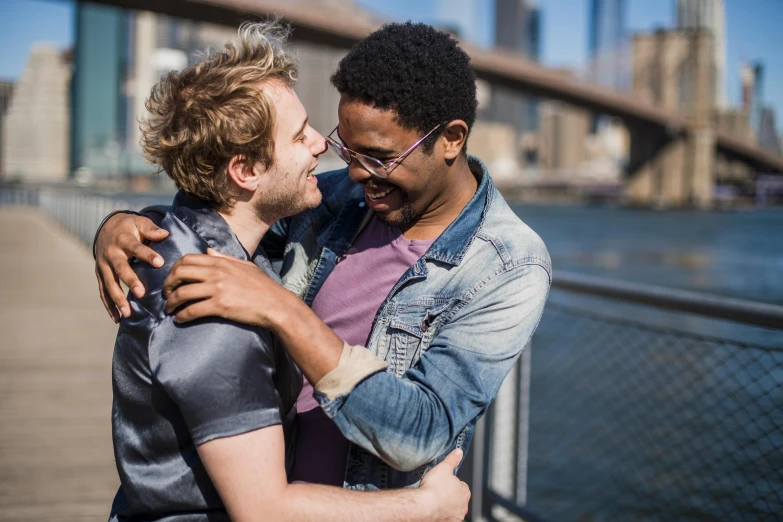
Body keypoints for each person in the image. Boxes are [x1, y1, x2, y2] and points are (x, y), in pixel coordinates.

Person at [95, 22, 551, 492]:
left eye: (378, 157)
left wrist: (283, 310)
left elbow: (421, 431)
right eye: (347, 149)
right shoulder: (337, 199)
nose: (355, 173)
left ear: (451, 139)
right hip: (264, 494)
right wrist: (125, 225)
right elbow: (229, 212)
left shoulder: (510, 265)